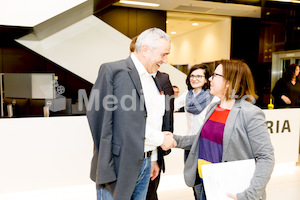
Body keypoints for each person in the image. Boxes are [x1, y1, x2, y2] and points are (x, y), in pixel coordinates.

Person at [87, 28, 177, 200]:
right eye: (163, 54)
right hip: (118, 166)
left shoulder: (153, 78)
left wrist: (153, 157)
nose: (165, 60)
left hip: (145, 163)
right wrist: (161, 140)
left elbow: (152, 120)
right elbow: (111, 122)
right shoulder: (114, 71)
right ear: (145, 49)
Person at [172, 59, 275, 200]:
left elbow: (266, 157)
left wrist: (250, 195)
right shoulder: (213, 108)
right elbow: (200, 140)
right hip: (205, 184)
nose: (210, 79)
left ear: (229, 82)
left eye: (214, 75)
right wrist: (172, 139)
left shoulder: (250, 113)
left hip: (232, 190)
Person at [174, 64, 218, 200]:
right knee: (194, 182)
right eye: (192, 75)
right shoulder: (187, 95)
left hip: (206, 146)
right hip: (190, 145)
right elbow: (170, 105)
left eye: (199, 76)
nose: (194, 78)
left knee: (206, 184)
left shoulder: (214, 97)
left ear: (206, 79)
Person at [146, 70, 174, 200]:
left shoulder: (162, 78)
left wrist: (160, 151)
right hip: (127, 154)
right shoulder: (123, 75)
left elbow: (167, 115)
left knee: (150, 193)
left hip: (153, 151)